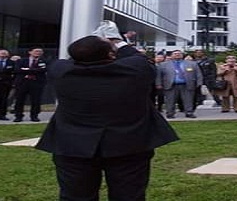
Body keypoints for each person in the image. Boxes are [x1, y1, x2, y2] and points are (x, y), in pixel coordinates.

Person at [36, 30, 178, 201]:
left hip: (73, 145)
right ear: (111, 54)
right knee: (129, 196)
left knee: (75, 196)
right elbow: (140, 59)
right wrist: (118, 41)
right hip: (128, 144)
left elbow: (74, 58)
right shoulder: (135, 72)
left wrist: (90, 48)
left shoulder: (60, 72)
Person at [157, 50, 203, 118]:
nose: (177, 55)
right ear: (171, 55)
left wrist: (199, 83)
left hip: (187, 84)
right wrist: (158, 84)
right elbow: (159, 75)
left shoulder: (192, 64)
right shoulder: (163, 64)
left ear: (182, 55)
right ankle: (170, 113)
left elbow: (198, 74)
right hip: (170, 85)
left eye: (179, 53)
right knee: (170, 100)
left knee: (188, 100)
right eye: (175, 54)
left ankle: (189, 112)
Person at [13, 47, 48, 122]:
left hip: (36, 83)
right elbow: (17, 70)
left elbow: (42, 70)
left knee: (36, 100)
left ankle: (34, 116)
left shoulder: (44, 61)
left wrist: (27, 70)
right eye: (36, 51)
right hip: (23, 82)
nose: (38, 53)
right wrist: (34, 70)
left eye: (40, 51)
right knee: (19, 100)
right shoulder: (21, 60)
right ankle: (18, 116)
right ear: (30, 52)